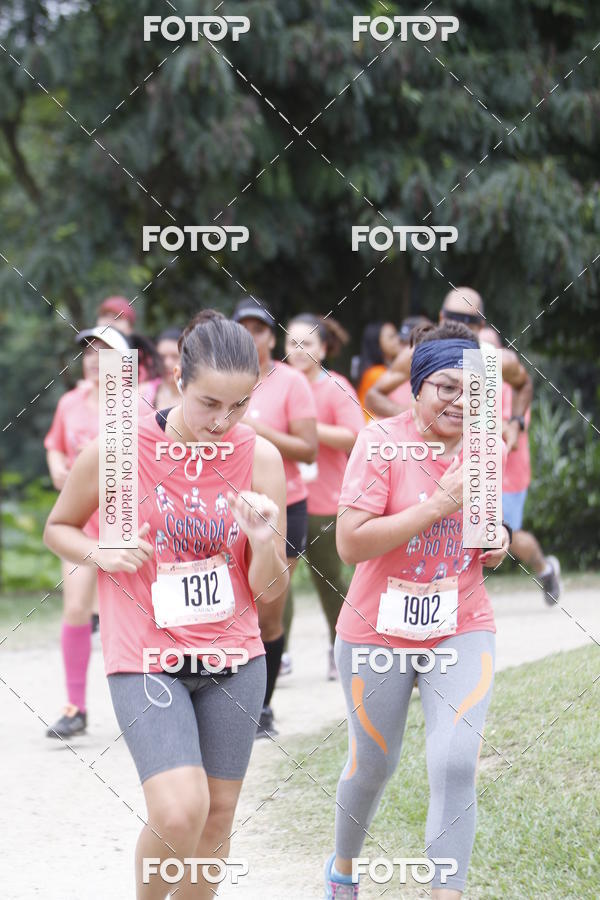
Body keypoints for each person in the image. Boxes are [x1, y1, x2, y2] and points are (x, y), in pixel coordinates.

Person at [44, 310, 289, 899]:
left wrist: (261, 543)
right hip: (146, 653)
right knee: (180, 811)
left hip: (235, 654)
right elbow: (59, 528)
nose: (223, 422)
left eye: (240, 406)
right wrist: (102, 550)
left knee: (218, 817)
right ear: (180, 378)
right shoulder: (122, 449)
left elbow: (270, 592)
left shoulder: (261, 460)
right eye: (210, 404)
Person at [325, 320, 511, 899]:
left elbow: (486, 536)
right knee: (373, 765)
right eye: (445, 388)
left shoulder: (487, 445)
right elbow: (351, 544)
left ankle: (443, 893)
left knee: (456, 762)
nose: (459, 402)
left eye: (470, 390)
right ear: (417, 387)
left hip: (461, 623)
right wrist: (436, 506)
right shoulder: (381, 442)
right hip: (375, 631)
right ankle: (343, 869)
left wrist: (498, 540)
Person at [232, 297, 318, 737]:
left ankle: (262, 706)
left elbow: (308, 449)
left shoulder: (291, 382)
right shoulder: (224, 377)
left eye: (259, 329)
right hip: (228, 504)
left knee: (269, 608)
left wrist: (259, 432)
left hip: (285, 504)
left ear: (270, 335)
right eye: (242, 327)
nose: (252, 336)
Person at [44, 325, 132, 738]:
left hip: (124, 519)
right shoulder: (69, 403)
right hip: (79, 523)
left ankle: (152, 697)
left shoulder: (137, 406)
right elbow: (55, 445)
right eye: (90, 352)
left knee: (134, 613)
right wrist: (57, 465)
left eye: (106, 352)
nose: (96, 359)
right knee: (76, 607)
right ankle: (75, 707)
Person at [284, 314, 365, 679]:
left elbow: (355, 436)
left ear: (323, 348)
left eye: (307, 344)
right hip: (282, 498)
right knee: (276, 581)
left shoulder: (336, 386)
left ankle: (342, 648)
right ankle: (276, 654)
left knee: (331, 578)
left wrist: (306, 429)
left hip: (325, 501)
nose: (299, 352)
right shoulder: (276, 384)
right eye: (291, 344)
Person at [366, 289, 533, 453]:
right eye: (452, 320)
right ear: (441, 318)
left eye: (467, 323)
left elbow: (524, 384)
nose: (458, 329)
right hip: (426, 457)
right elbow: (373, 396)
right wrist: (414, 415)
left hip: (476, 465)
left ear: (481, 326)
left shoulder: (497, 360)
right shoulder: (420, 354)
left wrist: (516, 423)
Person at [480, 327, 561, 604]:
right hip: (482, 472)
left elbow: (509, 435)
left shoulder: (510, 385)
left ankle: (546, 569)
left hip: (509, 475)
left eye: (489, 350)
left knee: (508, 534)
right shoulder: (471, 381)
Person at [362, 316, 430, 418]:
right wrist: (409, 416)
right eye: (402, 342)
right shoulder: (380, 373)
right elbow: (370, 400)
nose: (404, 349)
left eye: (411, 344)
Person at [355, 322, 402, 421]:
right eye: (391, 337)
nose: (397, 340)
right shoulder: (376, 373)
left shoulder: (373, 371)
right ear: (377, 342)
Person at [140, 328, 182, 410]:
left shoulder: (198, 396)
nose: (167, 363)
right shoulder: (143, 393)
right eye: (162, 357)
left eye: (175, 356)